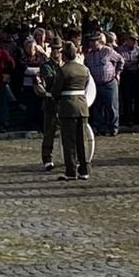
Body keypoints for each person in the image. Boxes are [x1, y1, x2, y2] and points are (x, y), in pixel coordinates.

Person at [50, 41, 91, 181]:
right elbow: (86, 85)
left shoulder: (62, 70)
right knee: (82, 140)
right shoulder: (84, 69)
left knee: (69, 141)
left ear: (65, 55)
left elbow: (56, 90)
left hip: (68, 108)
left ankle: (71, 171)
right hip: (82, 106)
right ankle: (85, 170)